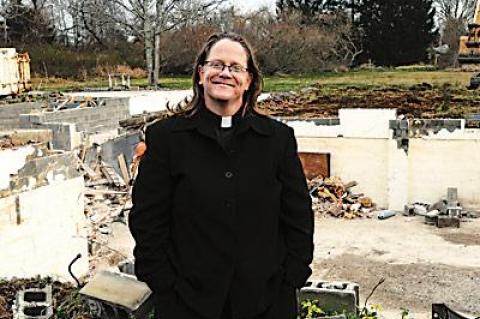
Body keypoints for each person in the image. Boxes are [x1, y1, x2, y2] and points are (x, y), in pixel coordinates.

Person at [128, 32, 314, 319]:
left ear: (249, 80)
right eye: (216, 64)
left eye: (236, 67)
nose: (225, 73)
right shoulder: (166, 138)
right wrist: (162, 280)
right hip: (186, 301)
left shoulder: (277, 139)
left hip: (265, 299)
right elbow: (147, 218)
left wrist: (293, 274)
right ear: (201, 73)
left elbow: (298, 213)